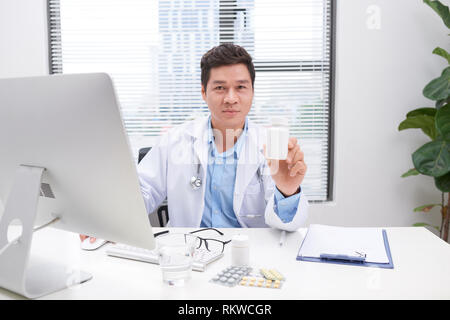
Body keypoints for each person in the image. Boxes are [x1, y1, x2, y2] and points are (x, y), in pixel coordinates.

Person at [81, 43, 308, 244]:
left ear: (252, 92)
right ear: (203, 92)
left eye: (240, 87)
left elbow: (285, 226)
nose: (230, 98)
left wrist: (287, 191)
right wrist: (105, 221)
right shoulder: (175, 140)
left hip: (248, 253)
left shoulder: (271, 147)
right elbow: (142, 191)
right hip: (187, 253)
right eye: (220, 87)